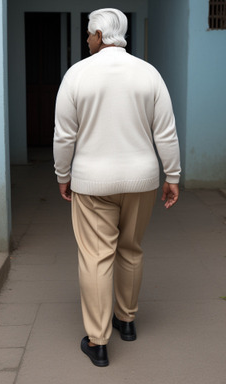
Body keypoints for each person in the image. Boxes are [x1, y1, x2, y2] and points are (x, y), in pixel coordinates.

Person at [53, 8, 181, 367]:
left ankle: (98, 342)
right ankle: (126, 321)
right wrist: (172, 176)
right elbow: (166, 132)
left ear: (98, 34)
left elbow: (64, 135)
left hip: (92, 183)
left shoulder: (77, 74)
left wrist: (62, 175)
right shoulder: (148, 73)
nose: (87, 39)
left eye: (88, 34)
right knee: (131, 248)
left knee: (95, 257)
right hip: (141, 180)